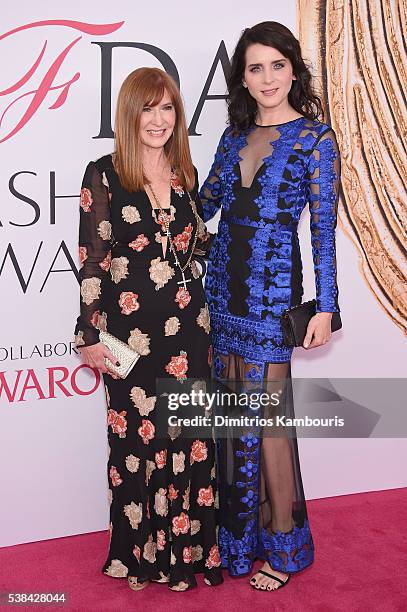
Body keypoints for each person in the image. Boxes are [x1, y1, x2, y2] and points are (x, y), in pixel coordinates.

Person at [200, 21, 340, 592]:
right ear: (244, 78)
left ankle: (284, 546)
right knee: (232, 420)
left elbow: (324, 236)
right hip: (220, 294)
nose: (267, 78)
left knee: (271, 423)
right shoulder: (232, 137)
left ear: (294, 69)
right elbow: (202, 203)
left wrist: (326, 307)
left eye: (277, 65)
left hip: (271, 299)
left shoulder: (316, 140)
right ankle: (237, 543)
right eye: (255, 68)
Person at [75, 67, 223, 592]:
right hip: (133, 339)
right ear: (129, 114)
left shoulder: (185, 171)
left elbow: (199, 243)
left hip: (189, 329)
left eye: (168, 109)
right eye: (148, 108)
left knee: (190, 438)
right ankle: (142, 556)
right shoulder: (105, 174)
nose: (159, 119)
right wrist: (89, 335)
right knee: (137, 442)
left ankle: (189, 553)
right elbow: (93, 262)